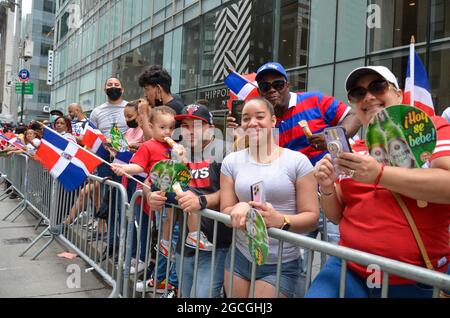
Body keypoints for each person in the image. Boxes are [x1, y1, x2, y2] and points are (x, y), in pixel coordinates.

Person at [306, 66, 450, 298]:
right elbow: (336, 215)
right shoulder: (354, 149)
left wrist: (380, 174)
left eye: (377, 86)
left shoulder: (431, 129)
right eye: (358, 93)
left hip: (413, 278)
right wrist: (326, 187)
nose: (369, 97)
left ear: (399, 94)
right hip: (349, 269)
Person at [221, 97, 320, 298]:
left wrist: (280, 220)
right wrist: (238, 208)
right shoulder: (231, 161)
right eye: (246, 118)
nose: (253, 123)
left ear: (273, 121)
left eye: (260, 117)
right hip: (240, 256)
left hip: (281, 262)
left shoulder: (297, 162)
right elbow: (226, 209)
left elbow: (312, 217)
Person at [146, 104, 232, 298]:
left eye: (197, 125)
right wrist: (152, 197)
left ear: (210, 127)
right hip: (185, 245)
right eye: (185, 125)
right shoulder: (177, 152)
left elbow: (230, 192)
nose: (190, 131)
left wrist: (200, 201)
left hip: (216, 243)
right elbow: (156, 182)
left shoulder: (225, 152)